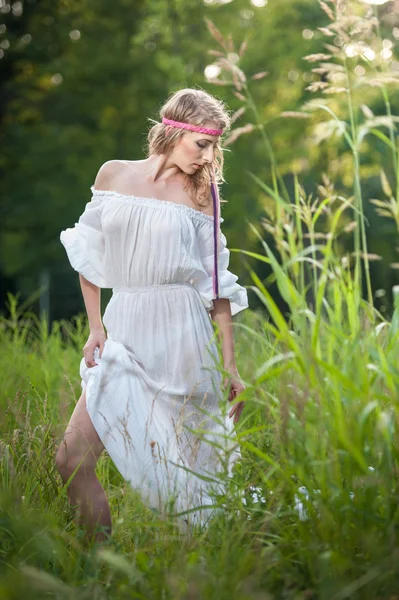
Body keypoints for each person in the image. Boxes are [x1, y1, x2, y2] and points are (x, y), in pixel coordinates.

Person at [57, 88, 249, 539]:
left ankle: (200, 570)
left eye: (214, 147)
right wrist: (95, 327)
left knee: (186, 483)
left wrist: (230, 363)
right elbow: (89, 253)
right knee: (71, 460)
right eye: (203, 143)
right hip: (124, 329)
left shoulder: (203, 196)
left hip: (183, 335)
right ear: (175, 129)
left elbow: (217, 287)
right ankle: (97, 571)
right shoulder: (114, 174)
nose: (208, 156)